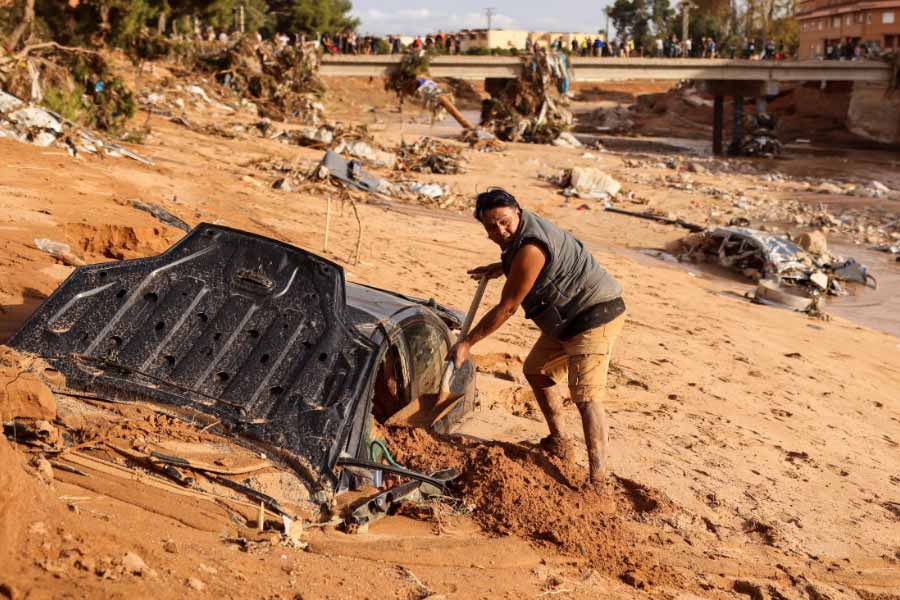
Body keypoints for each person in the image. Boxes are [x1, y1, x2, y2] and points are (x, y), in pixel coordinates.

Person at [449, 189, 626, 486]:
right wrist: (502, 267)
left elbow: (507, 307)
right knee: (536, 370)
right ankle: (559, 443)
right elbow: (525, 267)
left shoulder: (531, 248)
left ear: (518, 211)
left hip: (595, 314)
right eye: (491, 226)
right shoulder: (521, 239)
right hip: (566, 318)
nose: (500, 231)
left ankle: (598, 481)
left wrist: (468, 343)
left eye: (504, 222)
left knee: (586, 396)